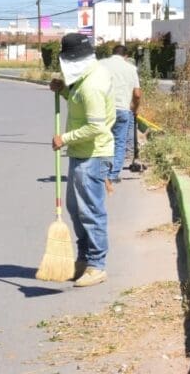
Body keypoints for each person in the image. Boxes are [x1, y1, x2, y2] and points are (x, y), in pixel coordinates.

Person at [49, 33, 116, 288]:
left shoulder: (92, 85)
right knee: (75, 209)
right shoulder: (85, 79)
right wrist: (65, 91)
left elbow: (96, 127)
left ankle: (97, 265)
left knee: (90, 211)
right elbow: (79, 103)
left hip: (93, 155)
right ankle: (84, 258)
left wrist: (64, 139)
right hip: (81, 153)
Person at [99, 45, 141, 186]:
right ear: (126, 56)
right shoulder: (131, 68)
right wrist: (135, 108)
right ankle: (112, 175)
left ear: (112, 53)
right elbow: (137, 94)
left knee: (102, 140)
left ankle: (100, 172)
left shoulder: (101, 64)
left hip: (102, 109)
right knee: (119, 143)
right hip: (123, 109)